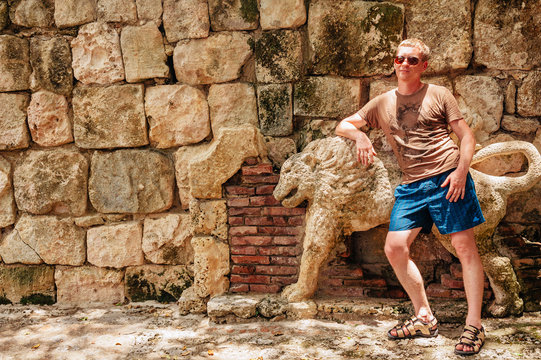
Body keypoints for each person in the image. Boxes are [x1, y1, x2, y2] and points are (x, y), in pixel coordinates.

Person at [335, 38, 486, 356]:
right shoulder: (380, 103)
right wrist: (361, 134)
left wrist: (461, 171)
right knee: (394, 247)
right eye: (399, 59)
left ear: (423, 66)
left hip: (448, 179)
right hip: (411, 186)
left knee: (464, 248)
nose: (404, 64)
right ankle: (424, 317)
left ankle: (474, 325)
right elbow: (343, 125)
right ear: (394, 63)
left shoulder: (439, 94)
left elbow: (467, 136)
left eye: (412, 60)